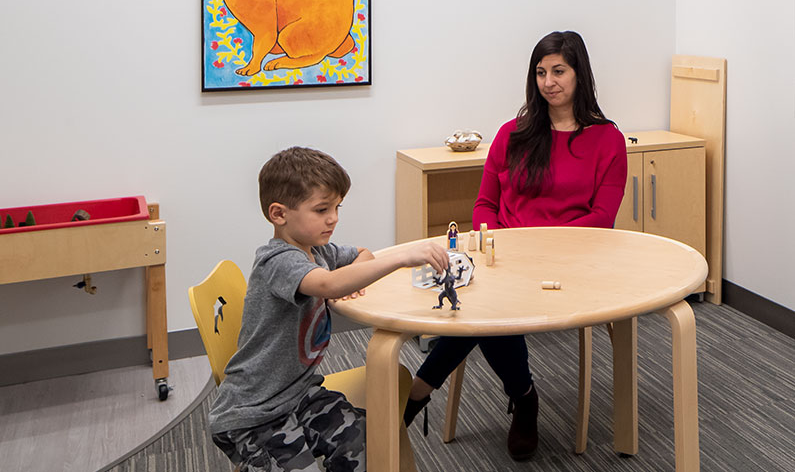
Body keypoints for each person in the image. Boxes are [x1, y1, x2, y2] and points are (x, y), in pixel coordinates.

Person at [404, 30, 628, 461]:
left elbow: (602, 219)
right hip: (501, 257)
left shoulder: (607, 140)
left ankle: (428, 391)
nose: (549, 82)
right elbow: (486, 203)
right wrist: (497, 243)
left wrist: (539, 249)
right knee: (485, 302)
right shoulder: (513, 134)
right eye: (541, 72)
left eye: (559, 71)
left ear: (580, 73)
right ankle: (522, 395)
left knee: (488, 311)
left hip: (568, 262)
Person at [210, 147, 449, 472]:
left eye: (337, 207)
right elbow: (327, 285)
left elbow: (362, 254)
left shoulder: (318, 251)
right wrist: (399, 259)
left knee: (364, 439)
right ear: (279, 214)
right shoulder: (277, 261)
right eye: (322, 209)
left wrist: (347, 281)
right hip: (254, 413)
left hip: (300, 393)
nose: (333, 217)